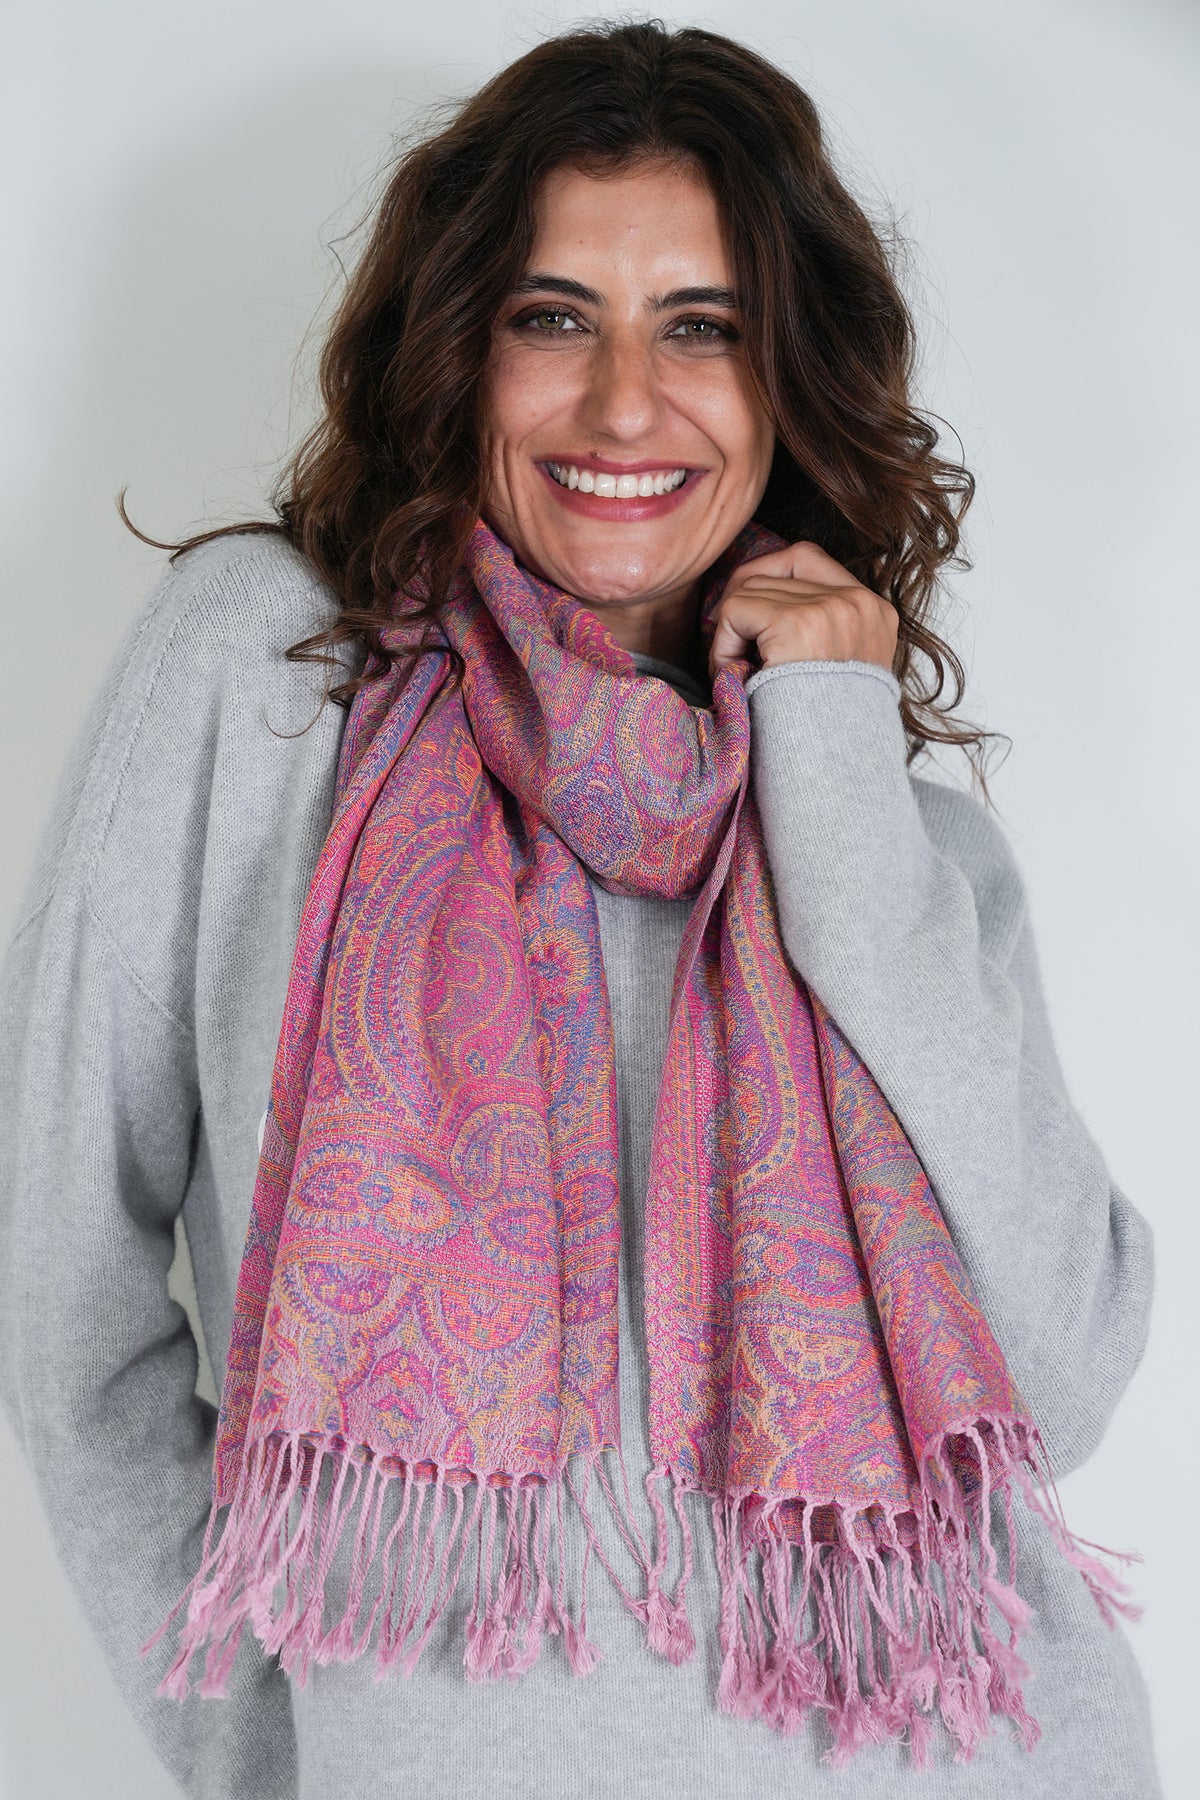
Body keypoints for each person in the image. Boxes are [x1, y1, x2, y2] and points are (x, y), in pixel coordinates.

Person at [0, 19, 1159, 1800]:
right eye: (556, 319)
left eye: (704, 328)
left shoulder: (894, 835)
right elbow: (62, 1278)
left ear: (789, 384)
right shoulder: (268, 681)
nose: (627, 405)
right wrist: (289, 1753)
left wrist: (835, 771)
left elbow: (1062, 1389)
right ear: (460, 352)